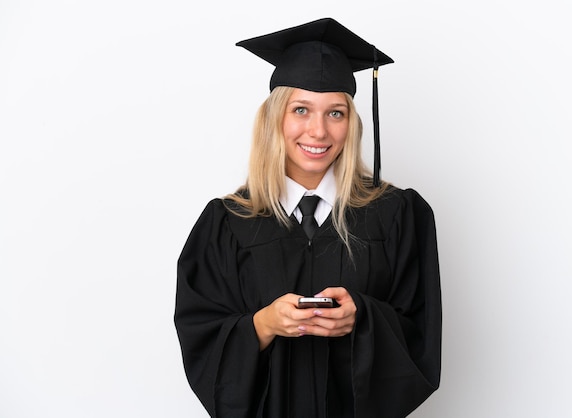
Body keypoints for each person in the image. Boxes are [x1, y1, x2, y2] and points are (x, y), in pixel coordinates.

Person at [174, 17, 442, 418]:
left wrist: (362, 318)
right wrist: (263, 324)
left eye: (336, 113)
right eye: (301, 110)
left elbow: (421, 335)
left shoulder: (397, 215)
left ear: (351, 124)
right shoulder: (227, 223)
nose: (318, 131)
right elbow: (201, 339)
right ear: (274, 119)